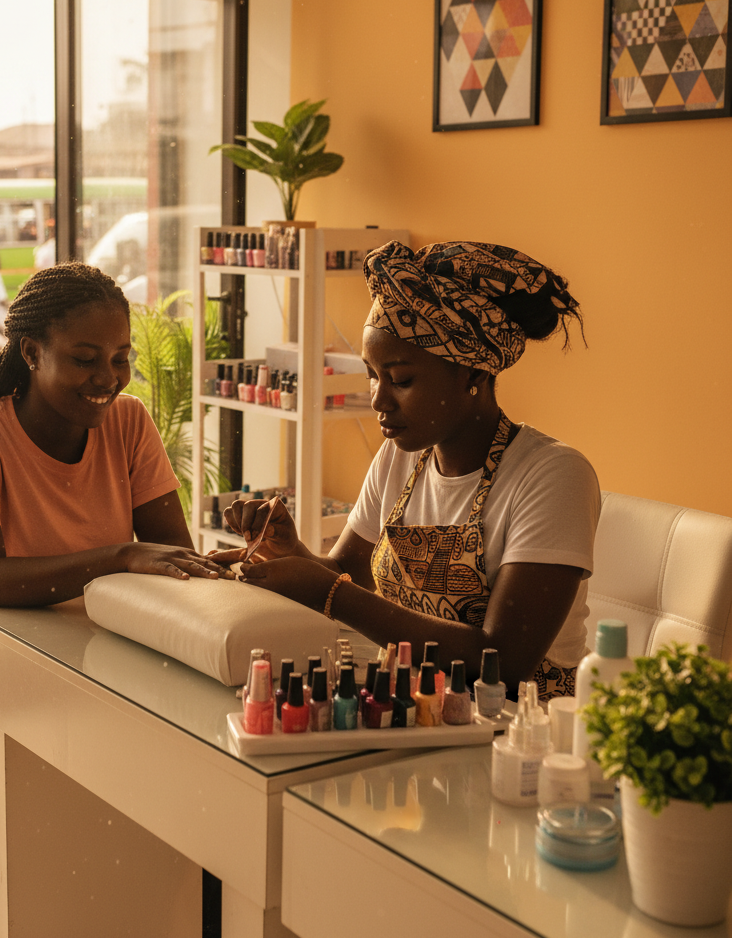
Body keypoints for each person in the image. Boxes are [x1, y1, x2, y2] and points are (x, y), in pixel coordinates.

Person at [215, 241, 600, 701]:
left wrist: (329, 594)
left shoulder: (552, 476)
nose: (379, 400)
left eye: (400, 380)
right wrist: (288, 551)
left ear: (473, 375)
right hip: (417, 711)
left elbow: (504, 660)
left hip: (522, 727)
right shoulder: (401, 457)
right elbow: (347, 571)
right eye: (372, 375)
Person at [0, 263, 224, 789]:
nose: (108, 378)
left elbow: (170, 556)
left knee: (168, 783)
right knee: (60, 794)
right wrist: (120, 556)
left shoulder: (129, 422)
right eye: (85, 359)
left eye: (121, 358)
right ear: (32, 352)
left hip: (96, 655)